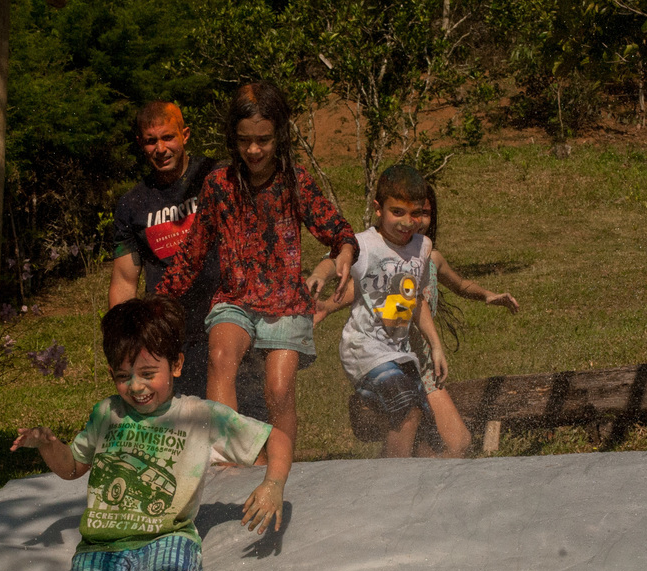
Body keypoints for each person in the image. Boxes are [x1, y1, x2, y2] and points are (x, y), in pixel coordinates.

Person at [6, 296, 292, 571]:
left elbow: (275, 438)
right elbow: (72, 468)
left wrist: (273, 483)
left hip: (166, 536)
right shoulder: (107, 414)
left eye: (147, 373)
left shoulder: (198, 416)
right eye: (123, 377)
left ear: (176, 365)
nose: (136, 387)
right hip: (101, 545)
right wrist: (49, 445)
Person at [155, 82, 358, 461]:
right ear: (233, 138)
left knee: (278, 391)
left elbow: (337, 230)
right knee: (220, 357)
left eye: (263, 140)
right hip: (235, 300)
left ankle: (279, 469)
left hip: (285, 303)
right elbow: (191, 254)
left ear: (279, 136)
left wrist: (345, 251)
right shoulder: (219, 186)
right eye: (244, 140)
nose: (253, 150)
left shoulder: (294, 181)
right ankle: (230, 461)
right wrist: (155, 302)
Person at [316, 183, 519, 457]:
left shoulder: (429, 257)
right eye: (410, 212)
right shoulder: (384, 254)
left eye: (424, 213)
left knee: (452, 443)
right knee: (415, 426)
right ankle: (391, 475)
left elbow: (460, 285)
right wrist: (326, 307)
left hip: (421, 364)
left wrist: (487, 295)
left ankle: (407, 477)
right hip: (388, 358)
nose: (417, 220)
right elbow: (361, 288)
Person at [110, 100, 266, 417]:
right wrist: (122, 341)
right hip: (171, 336)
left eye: (168, 137)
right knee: (187, 428)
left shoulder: (219, 176)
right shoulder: (132, 204)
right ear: (140, 143)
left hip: (231, 321)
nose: (160, 149)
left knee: (247, 424)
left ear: (185, 135)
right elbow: (124, 282)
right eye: (151, 141)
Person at [337, 164, 446, 458]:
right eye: (397, 212)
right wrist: (319, 277)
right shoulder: (365, 244)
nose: (407, 222)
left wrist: (436, 346)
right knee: (407, 412)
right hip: (364, 350)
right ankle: (390, 483)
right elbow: (336, 261)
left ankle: (397, 479)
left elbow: (416, 300)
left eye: (416, 213)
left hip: (400, 355)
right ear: (378, 209)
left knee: (429, 438)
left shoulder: (421, 247)